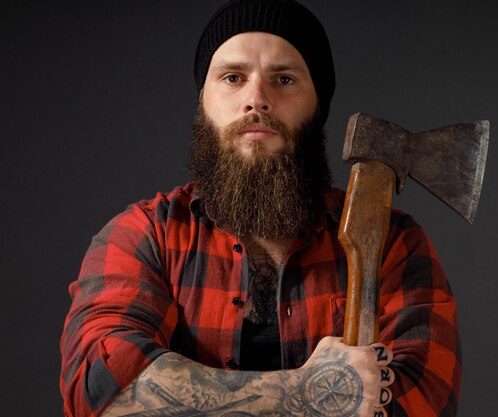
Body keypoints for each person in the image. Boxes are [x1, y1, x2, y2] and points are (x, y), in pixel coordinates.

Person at [60, 0, 461, 416]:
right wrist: (308, 392)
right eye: (233, 77)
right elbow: (101, 392)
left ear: (317, 107)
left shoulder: (394, 245)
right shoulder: (146, 236)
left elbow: (423, 399)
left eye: (284, 79)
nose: (257, 100)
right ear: (204, 102)